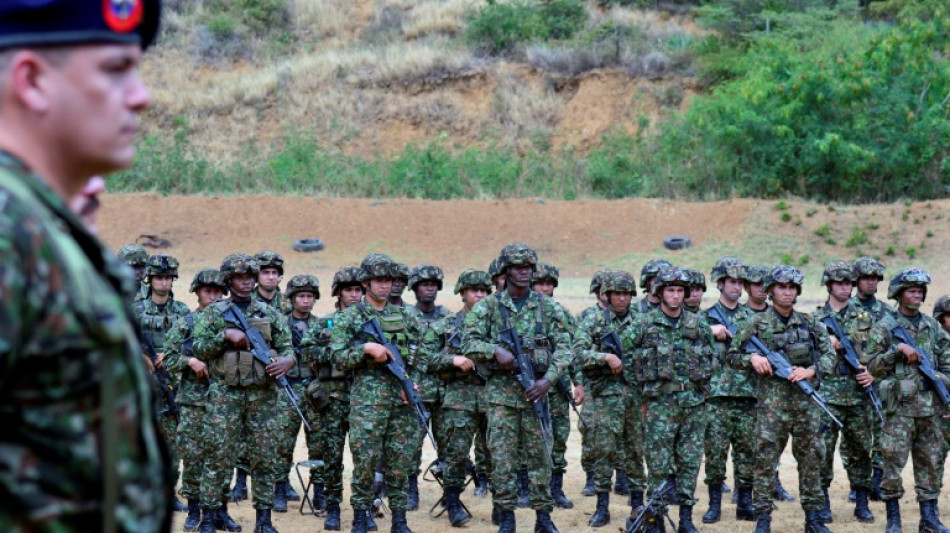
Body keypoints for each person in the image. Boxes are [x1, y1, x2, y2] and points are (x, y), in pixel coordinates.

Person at [0, 1, 169, 531]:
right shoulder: (10, 228)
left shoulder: (39, 223)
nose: (141, 98)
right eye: (116, 70)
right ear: (32, 81)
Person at [462, 243, 572, 533]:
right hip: (501, 398)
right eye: (516, 267)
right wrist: (494, 351)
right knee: (502, 459)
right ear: (505, 271)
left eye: (527, 267)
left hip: (537, 394)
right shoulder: (489, 306)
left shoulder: (547, 306)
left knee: (541, 459)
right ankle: (507, 516)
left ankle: (543, 518)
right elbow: (467, 343)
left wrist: (547, 380)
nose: (523, 271)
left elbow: (564, 349)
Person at [726, 265, 836, 533]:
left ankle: (813, 519)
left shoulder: (810, 323)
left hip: (805, 403)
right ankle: (763, 519)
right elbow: (731, 355)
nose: (787, 292)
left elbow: (829, 356)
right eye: (781, 287)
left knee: (812, 460)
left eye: (791, 288)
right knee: (764, 461)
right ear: (770, 290)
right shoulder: (755, 323)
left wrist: (811, 371)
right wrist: (752, 358)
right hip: (772, 403)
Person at [192, 253, 296, 533]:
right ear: (229, 280)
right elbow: (198, 348)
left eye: (251, 276)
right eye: (240, 277)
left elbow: (288, 348)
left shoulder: (270, 312)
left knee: (264, 457)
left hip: (263, 396)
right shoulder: (215, 312)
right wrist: (224, 337)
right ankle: (211, 517)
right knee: (218, 456)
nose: (247, 281)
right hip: (226, 394)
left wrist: (288, 361)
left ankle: (264, 520)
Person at [328, 253, 428, 533]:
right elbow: (337, 357)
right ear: (365, 283)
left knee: (399, 462)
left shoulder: (407, 316)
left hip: (401, 400)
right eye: (379, 280)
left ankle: (399, 520)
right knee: (365, 461)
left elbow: (423, 354)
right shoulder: (350, 318)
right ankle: (360, 517)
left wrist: (415, 382)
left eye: (389, 280)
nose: (385, 286)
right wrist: (365, 350)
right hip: (368, 401)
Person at [626, 266, 715, 533]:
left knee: (689, 463)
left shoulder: (698, 323)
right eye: (670, 290)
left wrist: (702, 392)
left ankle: (686, 520)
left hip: (693, 407)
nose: (675, 296)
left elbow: (712, 357)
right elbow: (628, 358)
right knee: (658, 465)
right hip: (660, 406)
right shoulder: (644, 323)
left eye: (679, 291)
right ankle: (656, 521)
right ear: (660, 292)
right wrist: (643, 394)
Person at [866, 268, 950, 533]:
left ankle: (929, 519)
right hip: (898, 411)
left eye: (920, 292)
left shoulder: (932, 326)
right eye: (911, 291)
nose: (917, 295)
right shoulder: (885, 327)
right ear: (899, 295)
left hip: (930, 409)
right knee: (892, 464)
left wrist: (939, 378)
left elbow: (948, 363)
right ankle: (893, 520)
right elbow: (872, 366)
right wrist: (896, 351)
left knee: (931, 463)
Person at [162, 268, 240, 532]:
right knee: (194, 457)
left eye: (218, 291)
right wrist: (190, 361)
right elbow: (169, 358)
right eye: (208, 291)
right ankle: (194, 510)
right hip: (194, 401)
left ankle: (220, 510)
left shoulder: (233, 324)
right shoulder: (186, 323)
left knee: (224, 458)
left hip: (226, 402)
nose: (213, 296)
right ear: (197, 293)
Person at [423, 269, 495, 527]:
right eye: (474, 290)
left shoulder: (500, 326)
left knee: (498, 453)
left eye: (484, 290)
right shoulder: (447, 326)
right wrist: (452, 360)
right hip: (459, 398)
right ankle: (452, 502)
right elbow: (426, 358)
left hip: (494, 396)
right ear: (462, 293)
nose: (479, 295)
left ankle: (501, 505)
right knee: (455, 454)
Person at [573, 270, 642, 527]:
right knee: (604, 451)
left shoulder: (642, 320)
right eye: (617, 294)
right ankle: (602, 507)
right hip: (605, 397)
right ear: (607, 295)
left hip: (634, 396)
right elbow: (577, 352)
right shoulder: (593, 320)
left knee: (635, 452)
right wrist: (604, 357)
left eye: (626, 294)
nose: (622, 298)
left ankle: (637, 504)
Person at [810, 261, 875, 524]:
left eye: (849, 283)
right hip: (827, 395)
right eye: (839, 283)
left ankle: (861, 501)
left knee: (860, 449)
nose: (845, 287)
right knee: (823, 449)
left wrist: (872, 372)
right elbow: (804, 354)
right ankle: (823, 501)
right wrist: (826, 342)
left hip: (858, 394)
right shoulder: (815, 319)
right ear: (829, 285)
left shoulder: (865, 317)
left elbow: (878, 352)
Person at [301, 266, 364, 531]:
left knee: (365, 457)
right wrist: (338, 354)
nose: (355, 295)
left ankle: (364, 508)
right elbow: (307, 350)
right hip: (333, 398)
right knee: (332, 455)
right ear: (338, 293)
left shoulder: (372, 322)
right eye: (349, 290)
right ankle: (333, 508)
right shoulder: (324, 323)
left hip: (365, 399)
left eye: (359, 290)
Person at [134, 253, 192, 512]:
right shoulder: (135, 309)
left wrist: (169, 354)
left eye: (168, 278)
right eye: (159, 277)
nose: (164, 282)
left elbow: (191, 344)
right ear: (150, 279)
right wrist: (142, 356)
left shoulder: (182, 311)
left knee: (173, 446)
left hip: (171, 386)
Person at [702, 257, 757, 524]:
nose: (737, 287)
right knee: (715, 454)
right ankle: (714, 505)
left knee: (747, 452)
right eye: (732, 282)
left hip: (748, 396)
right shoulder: (705, 318)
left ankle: (745, 502)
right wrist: (708, 332)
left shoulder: (753, 318)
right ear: (720, 284)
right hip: (716, 397)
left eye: (740, 283)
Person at [272, 274, 322, 513]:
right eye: (301, 296)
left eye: (309, 296)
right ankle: (280, 488)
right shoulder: (279, 323)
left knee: (318, 441)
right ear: (291, 299)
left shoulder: (322, 325)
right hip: (287, 387)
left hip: (314, 388)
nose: (305, 300)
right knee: (283, 442)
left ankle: (319, 490)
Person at [531, 262, 579, 510]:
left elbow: (573, 351)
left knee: (559, 437)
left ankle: (556, 488)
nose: (544, 288)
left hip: (558, 388)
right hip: (531, 388)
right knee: (531, 438)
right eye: (539, 283)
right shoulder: (523, 313)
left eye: (548, 283)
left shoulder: (562, 313)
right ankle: (527, 488)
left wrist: (578, 382)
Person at [406, 263, 452, 510]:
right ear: (414, 287)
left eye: (433, 285)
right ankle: (411, 489)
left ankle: (449, 493)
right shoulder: (405, 316)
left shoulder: (448, 317)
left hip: (444, 391)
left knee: (449, 444)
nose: (430, 289)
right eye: (425, 284)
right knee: (412, 444)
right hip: (417, 391)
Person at [852, 256, 893, 501]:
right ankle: (857, 483)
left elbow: (894, 347)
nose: (870, 282)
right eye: (865, 278)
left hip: (879, 383)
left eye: (874, 278)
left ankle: (876, 481)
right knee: (855, 439)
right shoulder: (846, 311)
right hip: (850, 383)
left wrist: (874, 372)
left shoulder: (887, 313)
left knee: (882, 433)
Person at [577, 268, 614, 497]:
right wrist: (578, 384)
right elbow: (575, 354)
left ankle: (619, 476)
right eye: (602, 289)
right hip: (592, 386)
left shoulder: (626, 316)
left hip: (619, 386)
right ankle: (591, 476)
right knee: (589, 431)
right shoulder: (585, 318)